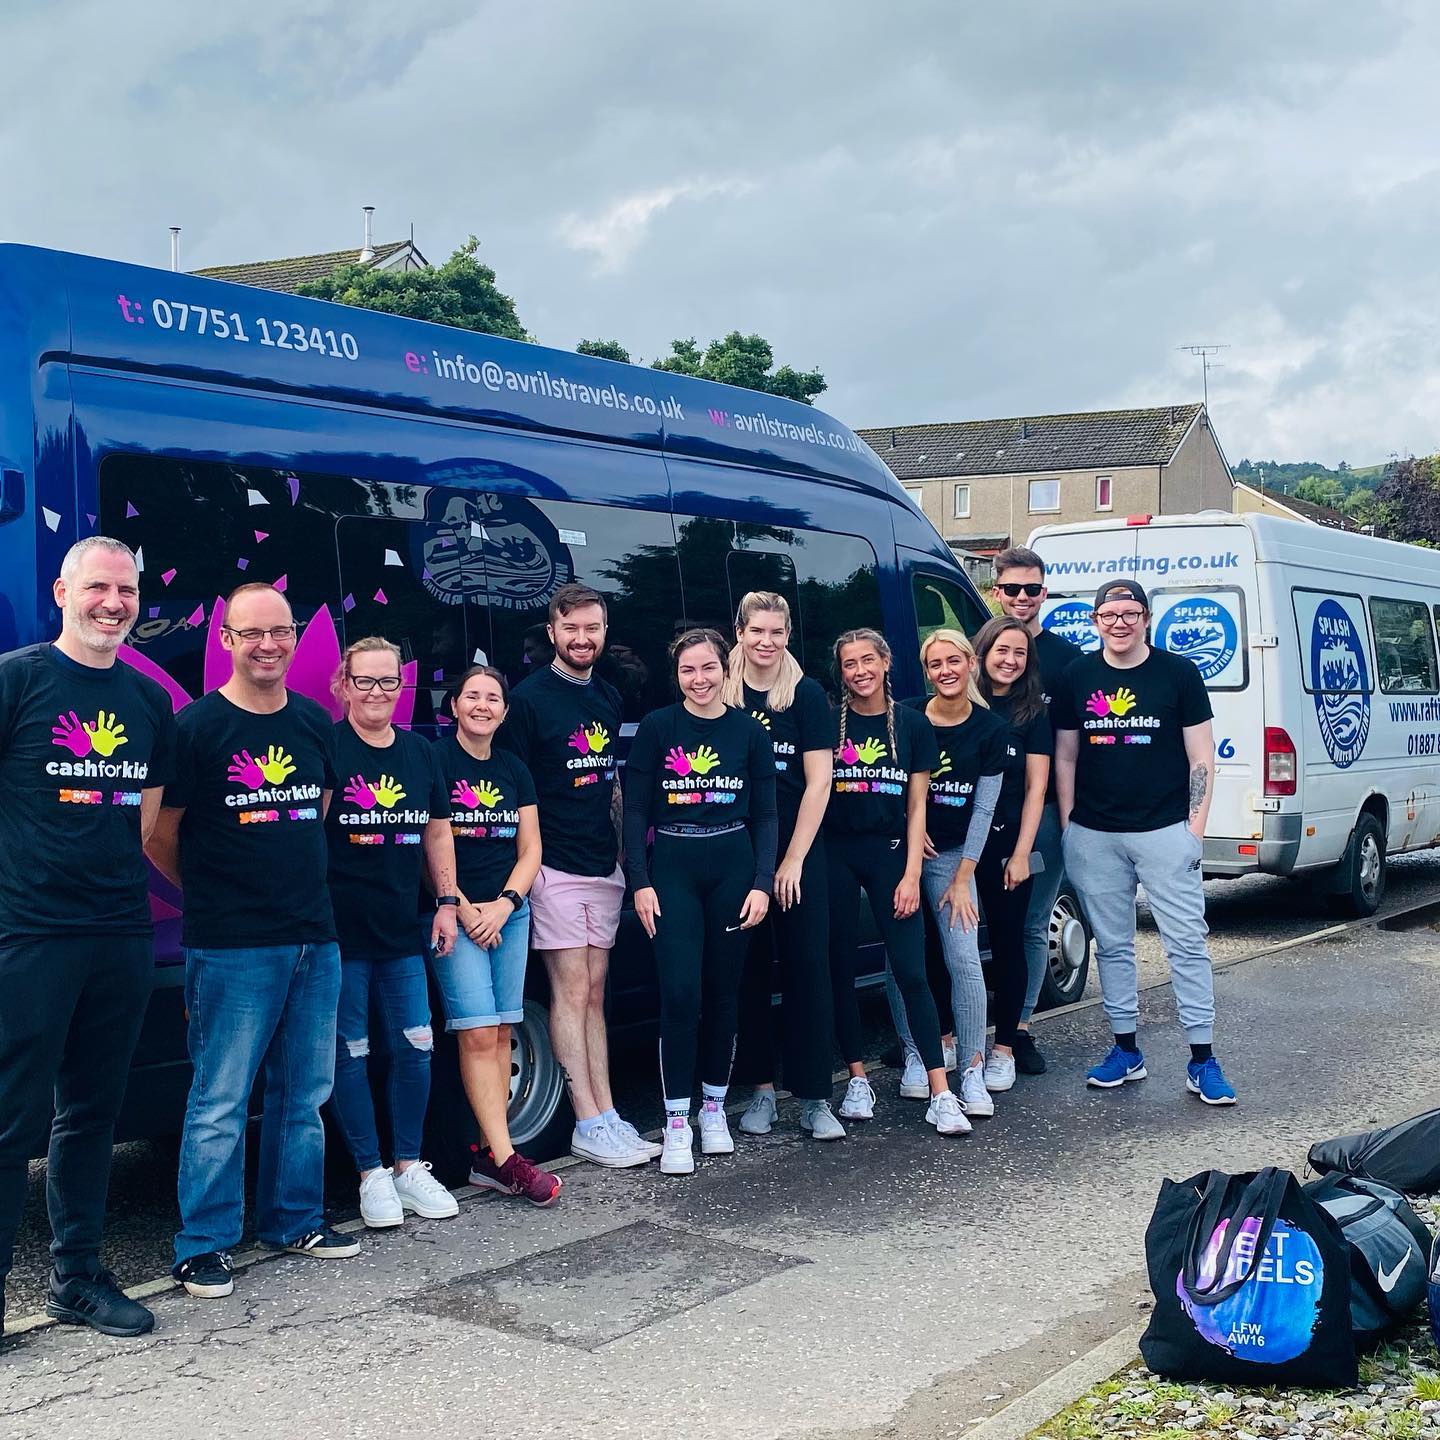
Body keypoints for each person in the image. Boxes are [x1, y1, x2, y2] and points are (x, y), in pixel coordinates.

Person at [149, 582, 359, 1302]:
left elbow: (317, 814)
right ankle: (202, 1245)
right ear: (227, 642)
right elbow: (159, 833)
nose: (268, 645)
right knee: (220, 1098)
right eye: (252, 633)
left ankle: (293, 1220)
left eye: (280, 632)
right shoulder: (196, 728)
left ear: (293, 639)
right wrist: (212, 892)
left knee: (303, 1093)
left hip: (313, 936)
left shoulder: (313, 723)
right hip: (232, 943)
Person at [0, 537, 174, 1342]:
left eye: (127, 590)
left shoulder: (147, 701)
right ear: (63, 590)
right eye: (98, 587)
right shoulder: (18, 678)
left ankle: (78, 1279)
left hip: (118, 932)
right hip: (30, 933)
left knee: (94, 1113)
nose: (113, 603)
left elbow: (143, 813)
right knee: (11, 1118)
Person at [1052, 579, 1236, 1104]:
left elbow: (1202, 756)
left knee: (1186, 945)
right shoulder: (1076, 676)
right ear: (1095, 620)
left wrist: (1192, 832)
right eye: (1108, 614)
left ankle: (1202, 1059)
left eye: (1129, 613)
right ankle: (1125, 1050)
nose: (1119, 622)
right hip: (1095, 834)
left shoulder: (1178, 673)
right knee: (1111, 945)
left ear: (1146, 617)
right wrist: (1069, 824)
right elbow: (1066, 755)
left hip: (1164, 832)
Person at [498, 583, 656, 1167]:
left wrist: (619, 856)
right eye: (571, 629)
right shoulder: (530, 700)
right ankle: (586, 1118)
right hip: (554, 866)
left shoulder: (608, 697)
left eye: (592, 629)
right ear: (552, 632)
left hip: (600, 865)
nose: (582, 639)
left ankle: (608, 1113)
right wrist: (529, 866)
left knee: (595, 993)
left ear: (604, 632)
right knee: (569, 992)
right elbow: (513, 789)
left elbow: (608, 784)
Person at [625, 629, 776, 1174]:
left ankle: (714, 1107)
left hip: (733, 866)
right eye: (689, 670)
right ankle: (676, 1122)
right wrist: (639, 880)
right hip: (673, 867)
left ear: (724, 668)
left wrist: (763, 881)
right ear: (678, 676)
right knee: (681, 994)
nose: (700, 678)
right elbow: (637, 810)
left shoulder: (748, 732)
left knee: (723, 993)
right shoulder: (657, 728)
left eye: (709, 667)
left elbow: (765, 814)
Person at [323, 637, 460, 1229]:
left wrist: (448, 902)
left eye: (388, 683)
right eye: (365, 681)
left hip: (404, 930)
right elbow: (310, 833)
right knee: (348, 1054)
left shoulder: (420, 752)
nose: (377, 693)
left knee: (416, 1047)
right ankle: (369, 1173)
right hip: (340, 932)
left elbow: (437, 832)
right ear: (343, 685)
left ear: (401, 690)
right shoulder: (326, 748)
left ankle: (408, 1165)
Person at [825, 629, 969, 1136]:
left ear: (887, 662)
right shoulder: (828, 720)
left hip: (890, 855)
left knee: (912, 971)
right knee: (839, 969)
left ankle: (940, 1091)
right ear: (840, 672)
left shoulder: (911, 724)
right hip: (836, 856)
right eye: (849, 663)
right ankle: (857, 1078)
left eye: (868, 660)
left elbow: (916, 809)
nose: (860, 670)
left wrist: (911, 874)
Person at [433, 665, 563, 1205]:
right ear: (454, 706)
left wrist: (505, 905)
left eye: (493, 698)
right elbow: (429, 843)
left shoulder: (514, 768)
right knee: (477, 1033)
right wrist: (465, 910)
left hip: (508, 915)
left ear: (504, 712)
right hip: (455, 916)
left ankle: (492, 1156)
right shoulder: (436, 761)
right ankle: (507, 1160)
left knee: (505, 1031)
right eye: (472, 696)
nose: (482, 706)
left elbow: (530, 847)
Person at [727, 593, 844, 1142]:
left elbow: (820, 782)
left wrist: (792, 859)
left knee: (806, 970)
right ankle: (760, 1092)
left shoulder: (806, 694)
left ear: (788, 633)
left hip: (799, 852)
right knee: (747, 973)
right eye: (757, 630)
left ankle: (816, 1097)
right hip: (738, 853)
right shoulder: (720, 691)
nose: (766, 641)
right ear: (741, 632)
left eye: (776, 631)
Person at [892, 629, 1009, 1120]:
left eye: (953, 661)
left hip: (955, 858)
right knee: (905, 955)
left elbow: (984, 809)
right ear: (926, 671)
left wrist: (965, 877)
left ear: (970, 665)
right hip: (902, 852)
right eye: (935, 664)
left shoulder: (989, 729)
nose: (945, 671)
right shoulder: (908, 716)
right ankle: (917, 1054)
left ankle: (973, 1068)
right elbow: (887, 783)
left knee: (963, 958)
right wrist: (908, 828)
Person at [991, 545, 1082, 1075]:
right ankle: (950, 1030)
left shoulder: (1067, 661)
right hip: (980, 813)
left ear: (1044, 593)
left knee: (1029, 923)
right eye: (1012, 589)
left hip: (1043, 814)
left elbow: (1075, 748)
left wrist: (1071, 819)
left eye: (1033, 589)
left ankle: (1019, 1029)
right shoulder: (981, 652)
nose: (1022, 598)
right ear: (995, 591)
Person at [972, 616, 1052, 1093]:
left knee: (1009, 943)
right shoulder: (963, 703)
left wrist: (1022, 853)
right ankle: (953, 1041)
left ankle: (1006, 1046)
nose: (1010, 660)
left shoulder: (1032, 713)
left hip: (1007, 845)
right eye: (1002, 650)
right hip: (959, 846)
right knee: (952, 946)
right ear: (983, 651)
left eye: (1020, 653)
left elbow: (1037, 789)